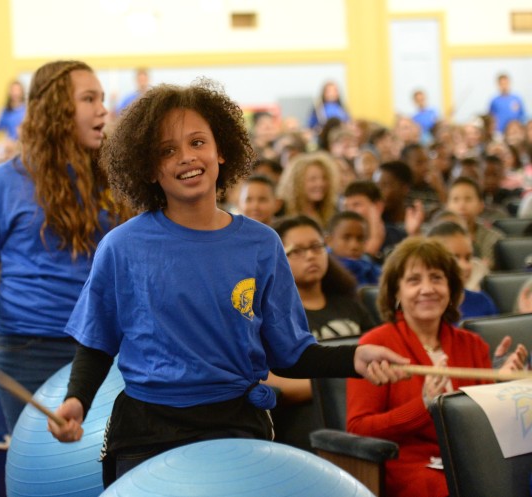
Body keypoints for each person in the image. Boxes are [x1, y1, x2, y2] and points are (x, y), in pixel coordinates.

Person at [46, 79, 409, 486]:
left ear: (222, 150)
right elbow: (97, 342)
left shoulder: (261, 243)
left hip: (237, 426)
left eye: (198, 142)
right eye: (167, 150)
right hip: (149, 432)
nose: (186, 157)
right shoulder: (121, 247)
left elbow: (290, 355)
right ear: (148, 168)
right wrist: (77, 399)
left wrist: (353, 358)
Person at [0, 60, 128, 434]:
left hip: (107, 347)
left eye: (101, 99)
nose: (103, 109)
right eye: (89, 99)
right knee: (40, 469)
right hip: (30, 347)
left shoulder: (118, 179)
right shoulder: (0, 183)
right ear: (56, 112)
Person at [347, 237, 527, 497]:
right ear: (396, 291)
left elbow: (484, 424)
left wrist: (503, 390)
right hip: (407, 465)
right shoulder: (375, 345)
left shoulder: (472, 344)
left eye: (436, 278)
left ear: (451, 288)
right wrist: (423, 406)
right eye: (414, 280)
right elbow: (358, 429)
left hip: (472, 457)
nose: (427, 288)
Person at [264, 214, 376, 450]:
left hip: (362, 412)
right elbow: (268, 380)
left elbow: (375, 354)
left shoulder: (350, 304)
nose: (311, 255)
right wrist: (338, 383)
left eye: (316, 247)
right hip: (307, 423)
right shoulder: (276, 314)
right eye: (297, 250)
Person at [427, 221, 498, 321]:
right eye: (455, 258)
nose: (465, 266)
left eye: (468, 258)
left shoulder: (482, 301)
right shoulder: (424, 307)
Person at [445, 176, 505, 269]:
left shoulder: (494, 238)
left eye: (468, 199)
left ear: (481, 205)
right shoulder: (438, 237)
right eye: (455, 199)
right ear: (447, 206)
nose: (462, 206)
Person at [342, 180, 406, 263]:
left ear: (378, 206)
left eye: (356, 205)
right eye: (346, 206)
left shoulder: (398, 237)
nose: (349, 211)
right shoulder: (340, 240)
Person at [277, 151, 338, 227]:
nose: (320, 184)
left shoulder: (333, 211)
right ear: (297, 182)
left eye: (324, 178)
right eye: (313, 179)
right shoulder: (280, 211)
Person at [326, 211, 382, 287]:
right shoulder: (324, 271)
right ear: (329, 241)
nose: (354, 246)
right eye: (346, 238)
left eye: (360, 239)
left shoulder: (370, 270)